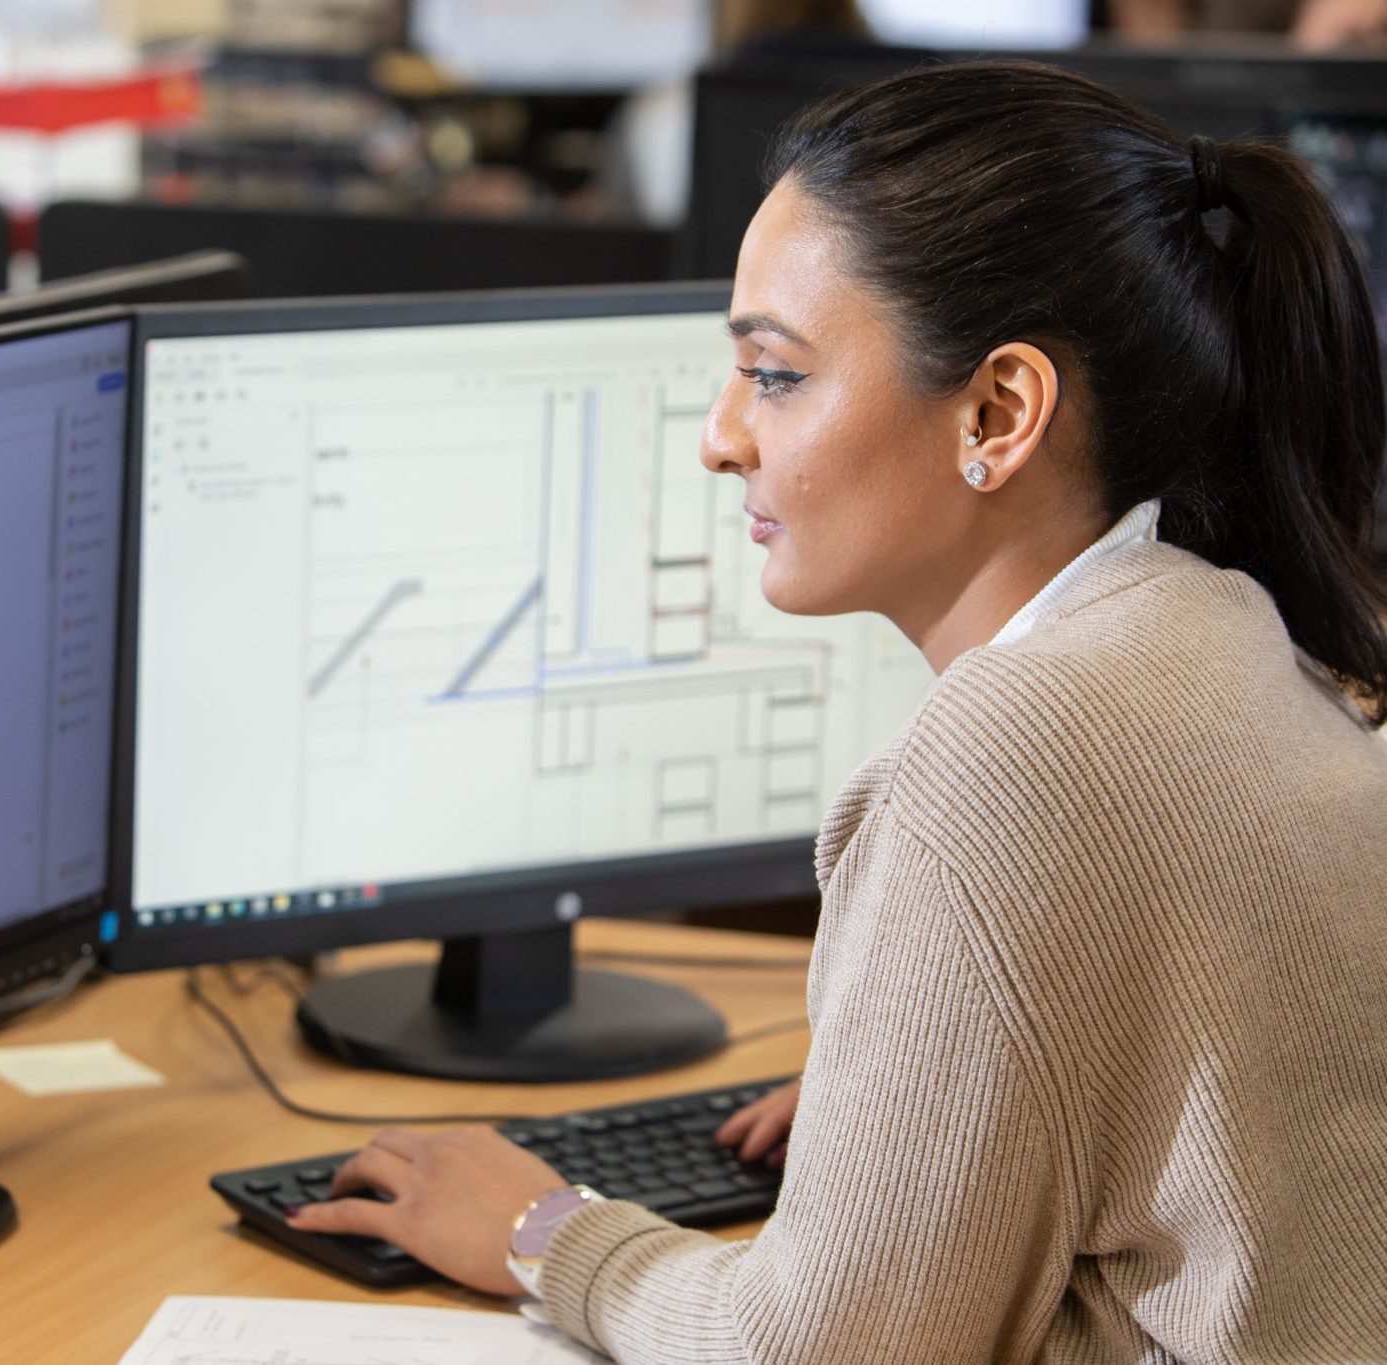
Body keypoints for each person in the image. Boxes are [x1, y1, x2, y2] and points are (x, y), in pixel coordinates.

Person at [289, 60, 1387, 1362]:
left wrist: (546, 1228)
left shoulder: (1010, 755)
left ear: (998, 410)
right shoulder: (1241, 629)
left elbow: (819, 1353)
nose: (720, 436)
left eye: (778, 373)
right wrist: (930, 1089)